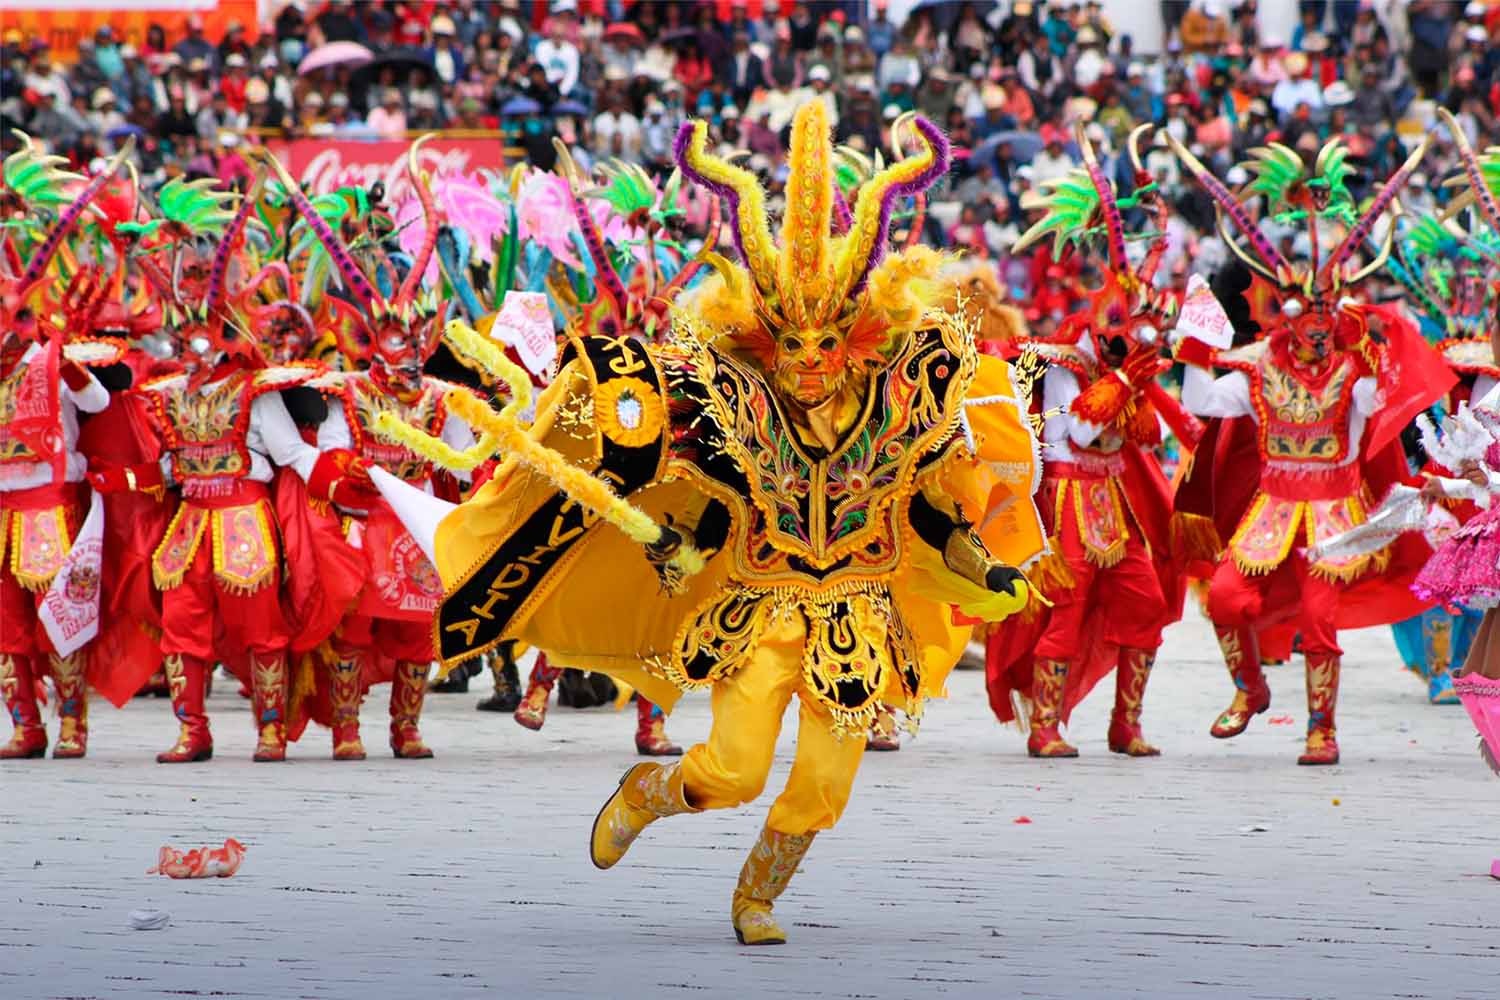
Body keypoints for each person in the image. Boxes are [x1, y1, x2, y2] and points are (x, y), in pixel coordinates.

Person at [407, 104, 1039, 946]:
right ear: (764, 337)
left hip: (856, 616)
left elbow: (925, 509)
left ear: (858, 337)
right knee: (733, 772)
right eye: (791, 343)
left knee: (823, 787)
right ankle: (649, 795)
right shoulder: (734, 414)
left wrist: (985, 565)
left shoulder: (897, 411)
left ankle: (756, 898)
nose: (809, 361)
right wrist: (679, 552)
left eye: (827, 341)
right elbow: (710, 511)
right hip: (762, 612)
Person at [1169, 134, 1445, 765]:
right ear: (1282, 314)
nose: (1315, 326)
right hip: (1271, 511)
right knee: (1226, 598)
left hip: (1332, 514)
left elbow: (1391, 400)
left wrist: (1381, 336)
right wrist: (1193, 342)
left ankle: (1323, 728)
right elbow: (1206, 403)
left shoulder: (1355, 373)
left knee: (1320, 620)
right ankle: (1250, 688)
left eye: (1326, 313)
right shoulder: (1260, 366)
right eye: (1303, 312)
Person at [988, 125, 1193, 758]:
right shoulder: (1061, 362)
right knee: (1066, 611)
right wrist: (1123, 384)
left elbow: (1147, 433)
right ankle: (1045, 728)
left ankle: (1125, 723)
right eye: (1122, 330)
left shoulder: (1124, 367)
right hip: (1069, 503)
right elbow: (1073, 430)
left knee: (1147, 605)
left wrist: (1134, 386)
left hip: (1115, 501)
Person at [0, 146, 120, 760]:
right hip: (1, 507)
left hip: (46, 505)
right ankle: (25, 724)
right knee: (5, 626)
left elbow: (98, 404)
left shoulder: (44, 360)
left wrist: (66, 364)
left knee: (59, 615)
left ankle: (72, 723)